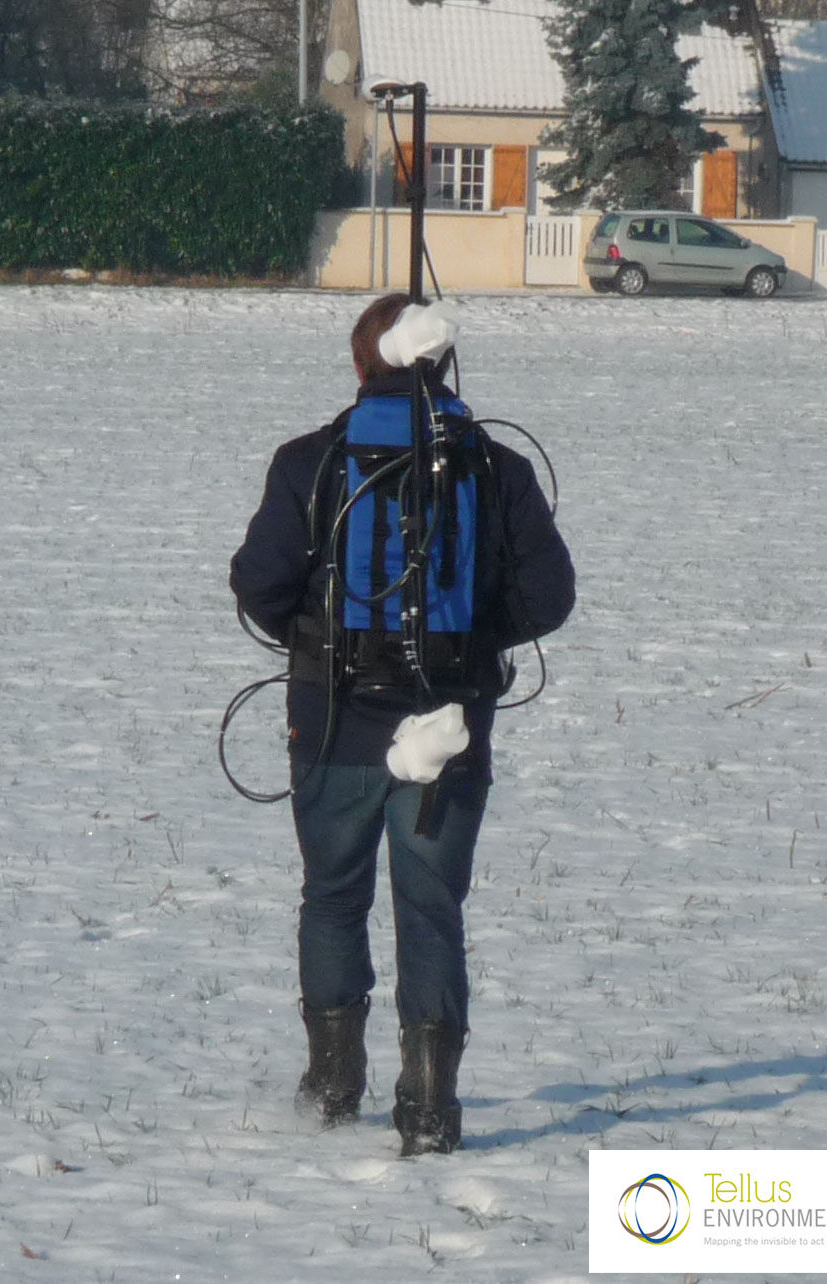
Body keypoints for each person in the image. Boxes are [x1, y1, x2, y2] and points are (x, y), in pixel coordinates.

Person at [229, 293, 575, 1156]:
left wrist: (319, 649)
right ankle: (428, 1108)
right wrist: (465, 647)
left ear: (361, 365)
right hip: (449, 720)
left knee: (334, 894)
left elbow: (258, 583)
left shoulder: (309, 461)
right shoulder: (496, 468)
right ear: (441, 364)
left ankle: (332, 1084)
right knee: (431, 909)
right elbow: (549, 595)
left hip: (333, 720)